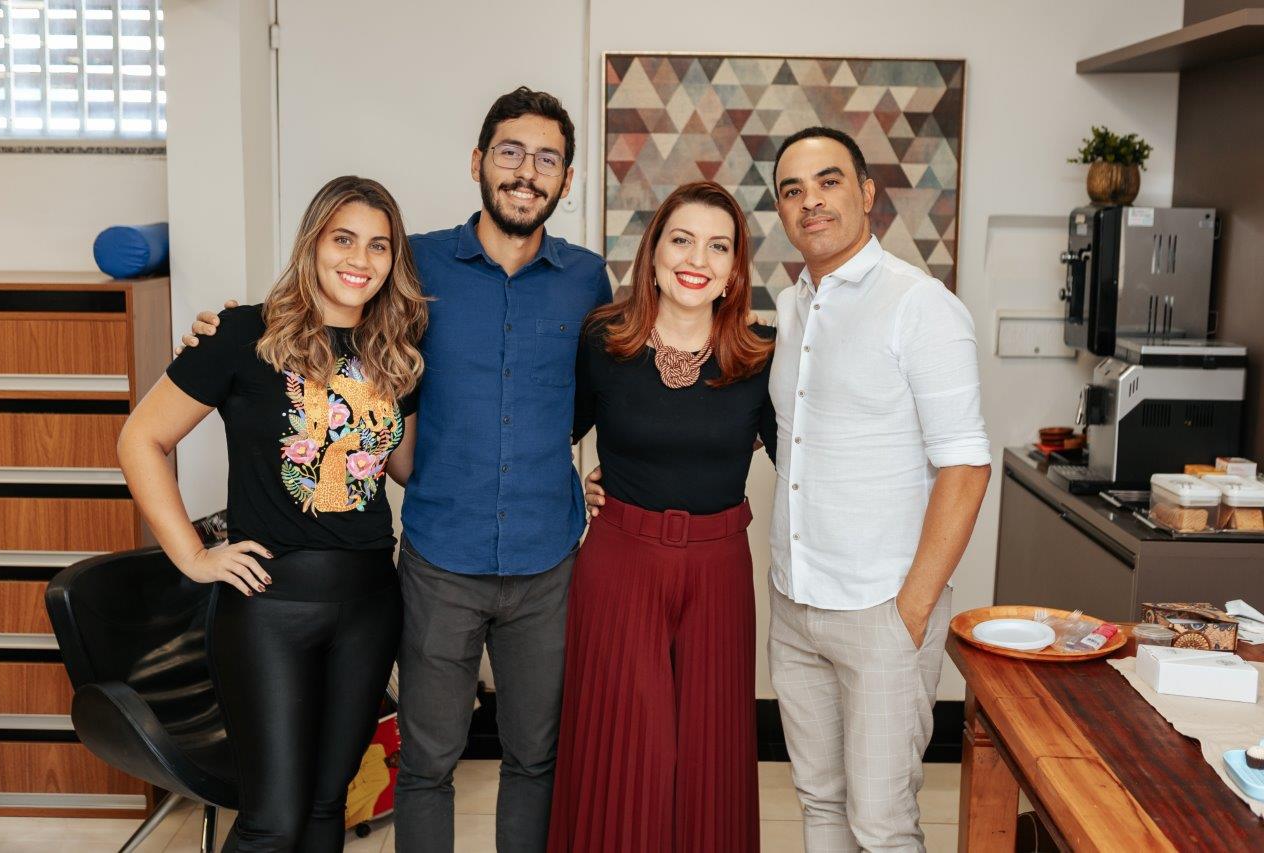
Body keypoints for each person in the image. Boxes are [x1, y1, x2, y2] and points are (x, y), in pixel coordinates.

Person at [179, 87, 612, 853]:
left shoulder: (587, 280)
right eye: (510, 152)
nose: (526, 171)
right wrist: (230, 329)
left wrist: (588, 468)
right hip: (440, 558)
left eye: (547, 159)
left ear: (567, 179)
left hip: (547, 557)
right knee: (426, 764)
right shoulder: (416, 263)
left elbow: (591, 394)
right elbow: (333, 327)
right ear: (478, 162)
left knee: (536, 758)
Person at [119, 176, 428, 852]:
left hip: (370, 602)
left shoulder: (396, 351)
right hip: (269, 609)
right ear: (312, 243)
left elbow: (405, 467)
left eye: (379, 245)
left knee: (326, 807)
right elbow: (140, 438)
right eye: (343, 238)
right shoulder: (241, 334)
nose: (360, 259)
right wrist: (193, 556)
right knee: (273, 821)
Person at [768, 127, 990, 851]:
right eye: (792, 190)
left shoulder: (919, 305)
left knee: (882, 823)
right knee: (820, 802)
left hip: (882, 609)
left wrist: (911, 611)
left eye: (828, 181)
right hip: (794, 603)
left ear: (866, 193)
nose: (810, 201)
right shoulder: (792, 306)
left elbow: (966, 466)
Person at [547, 180, 775, 853]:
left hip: (719, 569)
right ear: (652, 253)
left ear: (734, 270)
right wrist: (574, 488)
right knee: (627, 754)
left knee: (710, 757)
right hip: (621, 564)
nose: (697, 259)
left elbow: (811, 460)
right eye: (682, 240)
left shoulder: (761, 356)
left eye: (718, 246)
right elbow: (546, 432)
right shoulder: (603, 340)